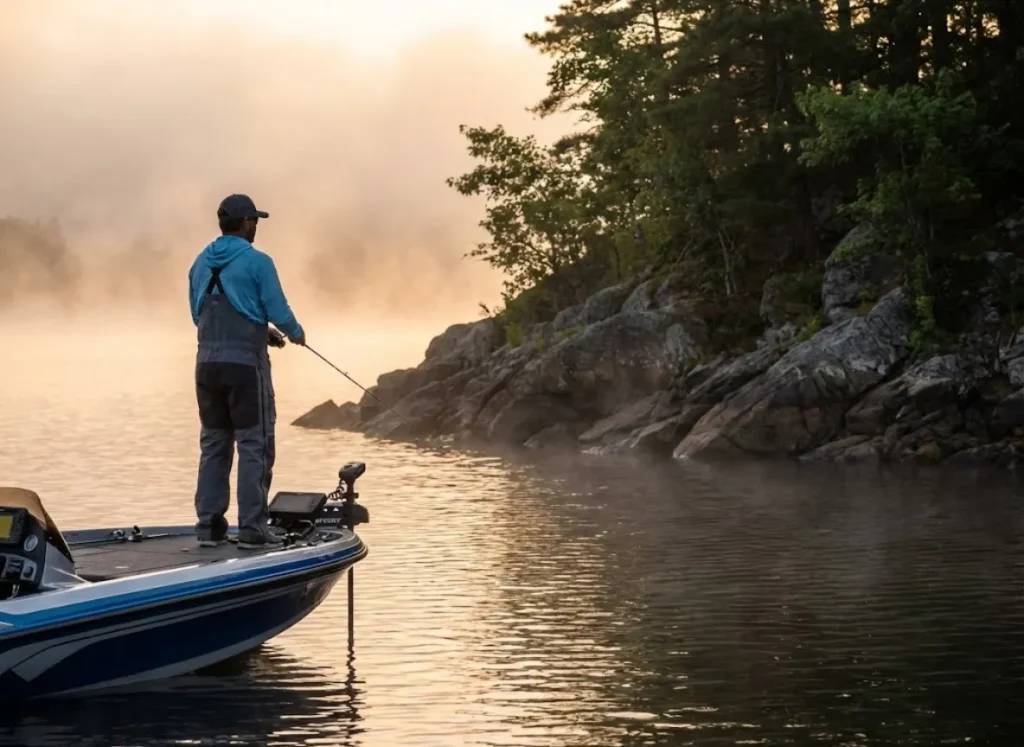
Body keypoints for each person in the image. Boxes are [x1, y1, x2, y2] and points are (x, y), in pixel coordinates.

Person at [187, 194, 305, 549]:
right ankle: (253, 530)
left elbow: (198, 315)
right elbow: (279, 311)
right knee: (255, 445)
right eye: (254, 220)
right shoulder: (258, 262)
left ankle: (208, 528)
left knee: (214, 445)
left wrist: (260, 329)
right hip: (245, 371)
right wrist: (295, 334)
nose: (256, 227)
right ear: (244, 223)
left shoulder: (199, 262)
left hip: (206, 366)